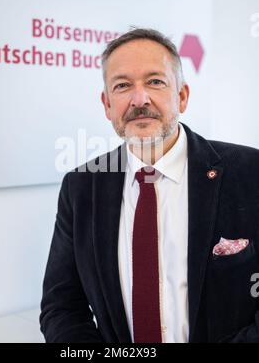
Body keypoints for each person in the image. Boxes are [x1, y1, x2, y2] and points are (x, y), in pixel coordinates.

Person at [40, 28, 259, 343]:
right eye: (122, 85)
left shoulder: (250, 172)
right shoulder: (81, 187)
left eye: (155, 82)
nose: (139, 99)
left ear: (181, 96)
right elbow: (61, 304)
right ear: (107, 104)